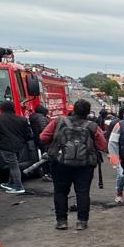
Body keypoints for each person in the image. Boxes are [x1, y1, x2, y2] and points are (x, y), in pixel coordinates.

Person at [40, 99, 106, 231]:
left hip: (60, 163)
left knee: (60, 192)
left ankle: (62, 221)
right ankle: (82, 221)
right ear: (88, 112)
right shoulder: (92, 126)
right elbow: (102, 145)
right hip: (84, 165)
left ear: (73, 109)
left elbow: (43, 137)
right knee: (82, 193)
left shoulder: (58, 121)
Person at [0, 101, 32, 195]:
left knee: (13, 165)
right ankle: (11, 183)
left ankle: (18, 186)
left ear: (1, 108)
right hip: (20, 146)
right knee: (13, 164)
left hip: (5, 145)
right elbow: (28, 134)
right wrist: (23, 142)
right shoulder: (22, 119)